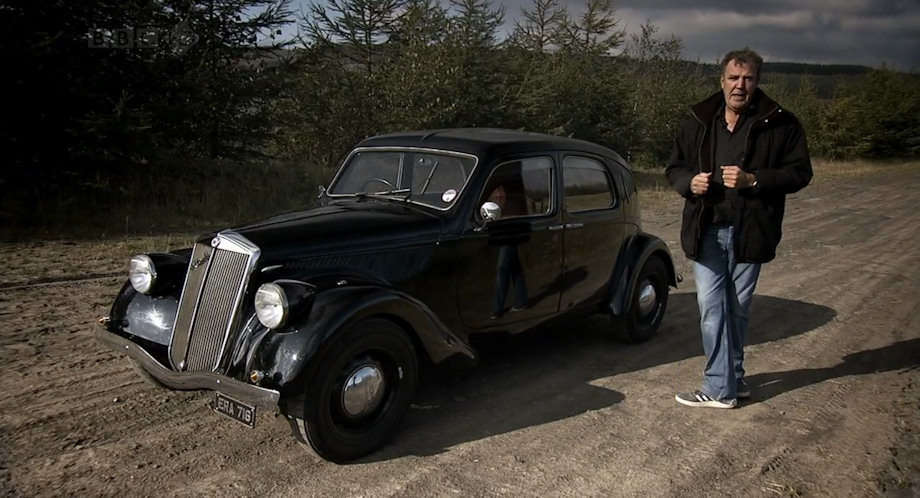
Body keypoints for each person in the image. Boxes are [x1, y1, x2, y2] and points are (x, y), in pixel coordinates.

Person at [665, 48, 813, 408]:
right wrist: (689, 184)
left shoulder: (781, 123)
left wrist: (754, 180)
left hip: (752, 229)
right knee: (713, 308)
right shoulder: (699, 122)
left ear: (757, 81)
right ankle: (724, 385)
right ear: (722, 80)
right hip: (706, 228)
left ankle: (727, 382)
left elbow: (800, 173)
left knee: (736, 309)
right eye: (734, 78)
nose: (740, 86)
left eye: (747, 79)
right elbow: (674, 168)